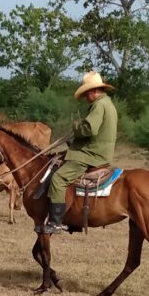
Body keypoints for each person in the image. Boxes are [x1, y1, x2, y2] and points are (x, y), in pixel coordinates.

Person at [42, 71, 118, 234]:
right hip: (96, 151)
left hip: (91, 154)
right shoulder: (108, 104)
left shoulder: (99, 105)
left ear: (93, 91)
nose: (85, 98)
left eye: (86, 94)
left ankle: (55, 222)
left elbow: (90, 128)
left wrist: (76, 127)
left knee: (59, 178)